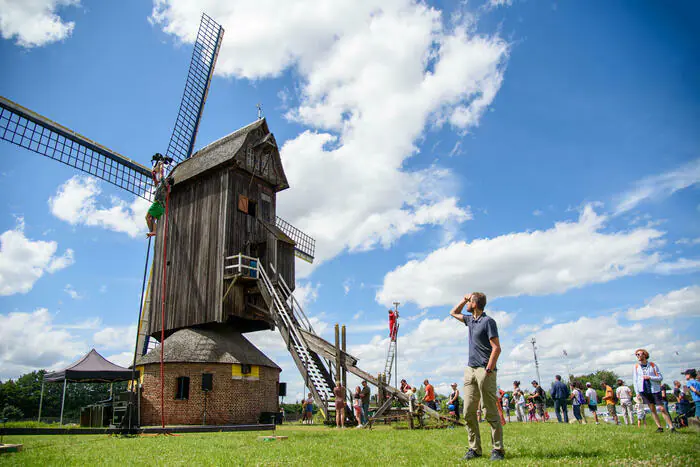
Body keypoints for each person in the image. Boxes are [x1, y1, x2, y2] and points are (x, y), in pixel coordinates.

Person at [449, 292, 504, 461]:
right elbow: (452, 312)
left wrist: (488, 369)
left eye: (469, 301)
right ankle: (475, 449)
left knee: (490, 411)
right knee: (468, 411)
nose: (466, 303)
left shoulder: (488, 322)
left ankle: (498, 450)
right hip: (470, 370)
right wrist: (464, 299)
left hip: (484, 369)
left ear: (475, 303)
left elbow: (496, 348)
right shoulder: (470, 320)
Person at [632, 348, 675, 432]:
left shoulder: (652, 365)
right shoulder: (636, 367)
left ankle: (671, 427)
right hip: (644, 390)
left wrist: (650, 377)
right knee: (652, 409)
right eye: (637, 354)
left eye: (640, 354)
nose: (638, 356)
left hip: (654, 389)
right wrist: (637, 392)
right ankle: (659, 427)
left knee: (661, 408)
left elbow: (660, 377)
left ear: (645, 355)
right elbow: (635, 380)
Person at [145, 157, 167, 237]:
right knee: (152, 219)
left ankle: (153, 231)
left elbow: (161, 174)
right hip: (162, 207)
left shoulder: (163, 183)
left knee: (147, 217)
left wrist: (161, 165)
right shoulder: (162, 185)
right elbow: (156, 178)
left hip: (158, 204)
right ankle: (153, 231)